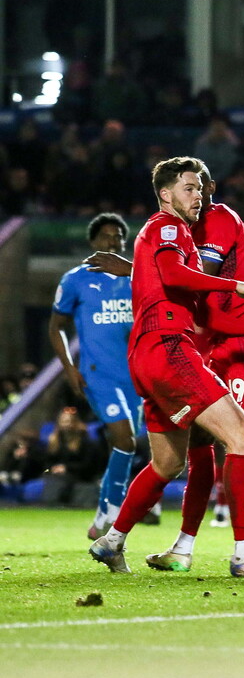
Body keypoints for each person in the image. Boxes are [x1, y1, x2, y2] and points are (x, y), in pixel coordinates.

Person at [87, 163, 244, 573]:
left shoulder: (182, 227)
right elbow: (179, 274)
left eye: (200, 189)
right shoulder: (171, 227)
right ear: (166, 194)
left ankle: (114, 540)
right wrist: (238, 286)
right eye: (188, 189)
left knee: (170, 463)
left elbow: (174, 281)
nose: (197, 196)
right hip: (172, 348)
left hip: (150, 354)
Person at [49, 213, 142, 540]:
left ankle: (104, 511)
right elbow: (56, 327)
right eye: (105, 236)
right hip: (97, 373)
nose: (112, 242)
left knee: (128, 446)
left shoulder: (136, 278)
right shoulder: (74, 280)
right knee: (125, 439)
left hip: (136, 374)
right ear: (93, 242)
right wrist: (69, 368)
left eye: (118, 237)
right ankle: (113, 513)